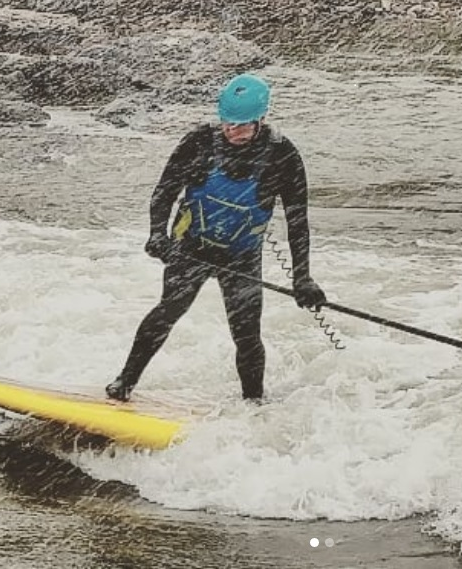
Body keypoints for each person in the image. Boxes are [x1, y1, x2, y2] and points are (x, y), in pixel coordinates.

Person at [106, 72, 327, 403]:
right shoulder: (198, 142)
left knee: (247, 334)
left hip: (242, 256)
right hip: (190, 249)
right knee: (168, 312)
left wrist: (303, 278)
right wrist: (157, 234)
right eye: (227, 123)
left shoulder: (283, 157)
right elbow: (164, 191)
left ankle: (254, 405)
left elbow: (298, 222)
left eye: (241, 125)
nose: (232, 131)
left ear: (261, 119)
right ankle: (124, 383)